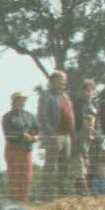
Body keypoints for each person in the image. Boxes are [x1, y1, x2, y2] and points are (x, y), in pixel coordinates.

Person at [37, 70, 77, 201]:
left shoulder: (65, 96)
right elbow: (42, 116)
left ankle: (62, 197)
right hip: (55, 136)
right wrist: (50, 133)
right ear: (53, 81)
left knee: (64, 166)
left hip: (66, 136)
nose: (64, 82)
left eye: (65, 80)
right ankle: (45, 196)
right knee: (51, 166)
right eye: (61, 80)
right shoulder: (46, 96)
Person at [2, 92, 38, 202]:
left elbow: (37, 128)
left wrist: (36, 136)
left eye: (24, 100)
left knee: (27, 176)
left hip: (26, 149)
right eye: (20, 100)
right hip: (14, 148)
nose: (23, 102)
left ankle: (24, 201)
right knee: (15, 176)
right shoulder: (8, 116)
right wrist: (22, 135)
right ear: (14, 101)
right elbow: (8, 133)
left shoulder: (29, 115)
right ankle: (15, 200)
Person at [72, 78, 102, 196]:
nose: (88, 93)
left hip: (94, 137)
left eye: (90, 90)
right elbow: (78, 120)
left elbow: (98, 120)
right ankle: (82, 191)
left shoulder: (94, 104)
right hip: (81, 135)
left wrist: (96, 133)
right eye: (85, 90)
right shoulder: (78, 104)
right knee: (81, 162)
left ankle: (91, 189)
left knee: (92, 163)